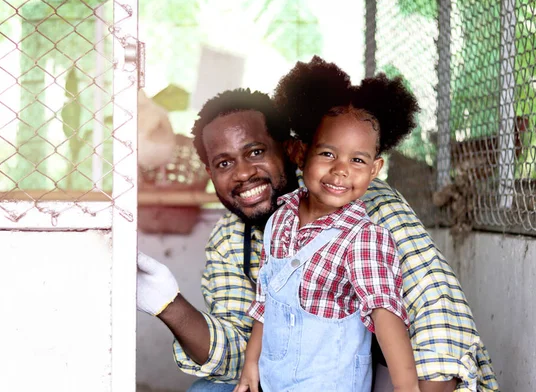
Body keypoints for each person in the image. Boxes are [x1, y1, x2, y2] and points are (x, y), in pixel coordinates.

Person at [136, 56, 500, 392]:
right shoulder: (235, 238)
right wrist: (169, 304)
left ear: (289, 149)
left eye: (256, 152)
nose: (244, 174)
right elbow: (243, 341)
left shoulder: (371, 211)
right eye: (224, 163)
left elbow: (437, 311)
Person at [235, 67, 421, 392]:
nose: (340, 170)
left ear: (375, 169)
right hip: (274, 382)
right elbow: (266, 301)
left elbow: (386, 315)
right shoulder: (280, 220)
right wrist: (251, 366)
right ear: (300, 153)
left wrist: (408, 389)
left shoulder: (362, 238)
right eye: (328, 153)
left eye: (358, 161)